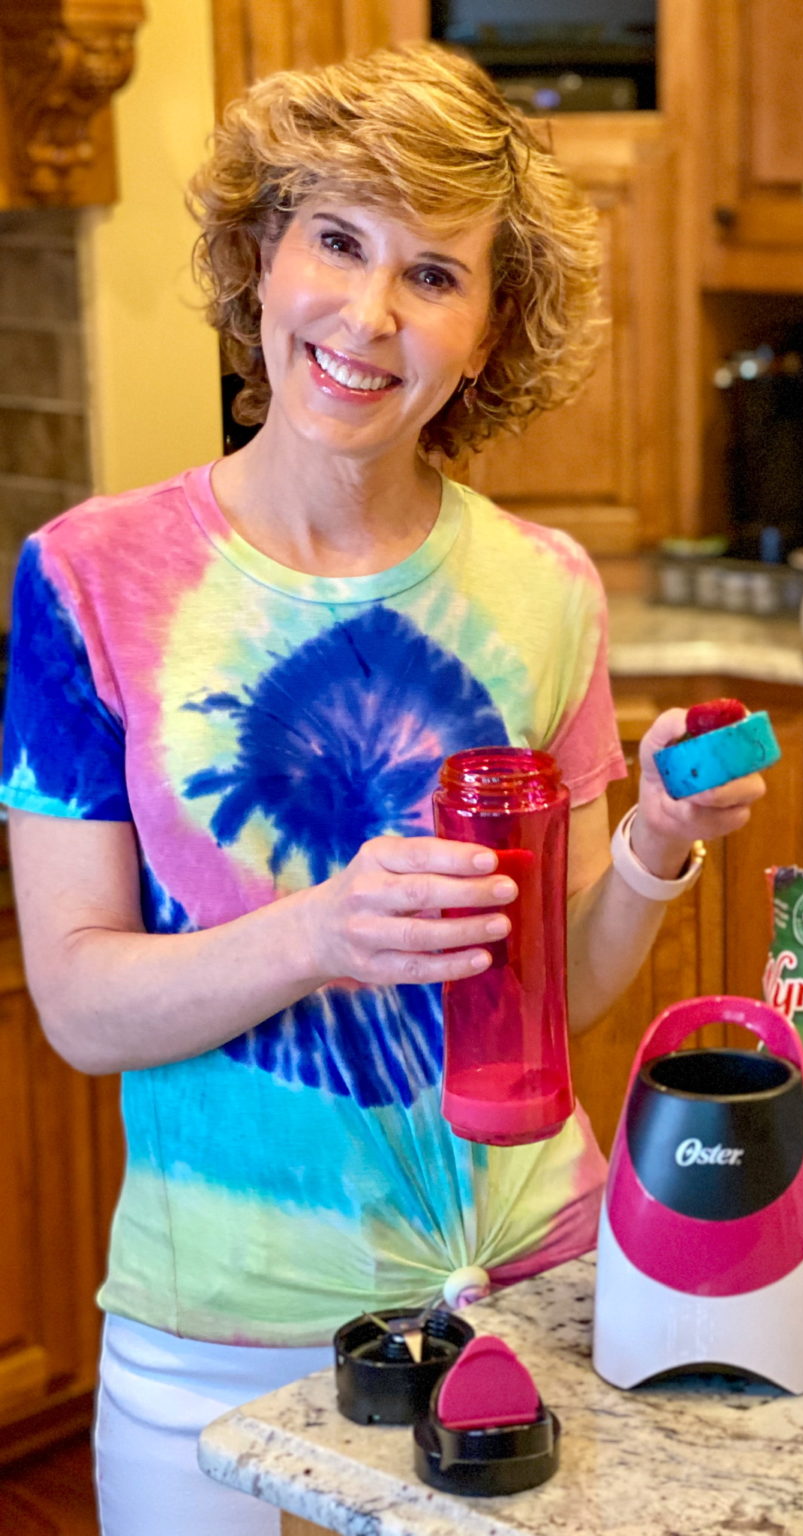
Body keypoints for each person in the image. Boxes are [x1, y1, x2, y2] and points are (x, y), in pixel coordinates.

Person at [0, 45, 764, 1534]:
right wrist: (320, 933)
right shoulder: (92, 578)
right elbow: (82, 1008)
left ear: (489, 333)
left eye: (433, 274)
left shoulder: (542, 589)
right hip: (219, 1336)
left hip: (535, 1296)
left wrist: (660, 844)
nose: (366, 315)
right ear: (260, 258)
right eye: (335, 240)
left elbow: (567, 996)